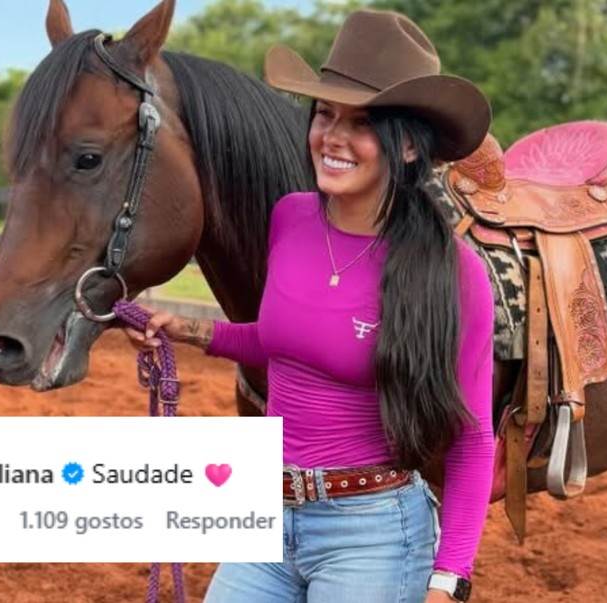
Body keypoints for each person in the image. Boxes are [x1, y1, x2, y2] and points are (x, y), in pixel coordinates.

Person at [125, 9, 495, 602]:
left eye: (362, 122)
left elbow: (472, 440)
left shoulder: (453, 273)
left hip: (373, 534)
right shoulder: (291, 218)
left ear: (407, 146)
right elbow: (284, 339)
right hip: (271, 517)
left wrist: (449, 579)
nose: (332, 137)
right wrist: (192, 330)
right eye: (325, 114)